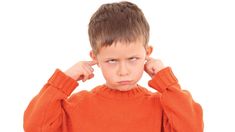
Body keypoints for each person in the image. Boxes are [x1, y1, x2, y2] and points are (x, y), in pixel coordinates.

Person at [24, 1, 203, 132]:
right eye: (112, 61)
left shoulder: (161, 106)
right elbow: (34, 127)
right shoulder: (77, 106)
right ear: (95, 58)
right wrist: (64, 80)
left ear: (147, 54)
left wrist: (167, 82)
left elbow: (192, 128)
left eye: (133, 58)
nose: (123, 71)